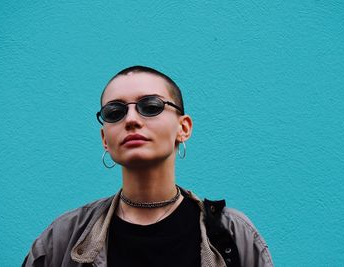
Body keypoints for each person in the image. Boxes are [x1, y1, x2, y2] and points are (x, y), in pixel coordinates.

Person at [23, 66, 274, 267]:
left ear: (183, 128)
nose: (131, 119)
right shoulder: (63, 239)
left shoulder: (232, 235)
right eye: (114, 112)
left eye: (151, 107)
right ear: (104, 140)